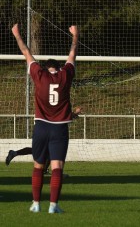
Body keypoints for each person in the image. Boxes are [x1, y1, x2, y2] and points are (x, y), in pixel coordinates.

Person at [12, 23, 79, 214]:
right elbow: (73, 54)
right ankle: (53, 206)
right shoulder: (65, 76)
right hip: (59, 128)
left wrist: (16, 34)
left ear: (45, 67)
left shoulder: (39, 75)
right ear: (58, 68)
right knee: (57, 166)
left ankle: (35, 203)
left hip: (41, 127)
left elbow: (25, 51)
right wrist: (75, 36)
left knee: (38, 165)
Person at [5, 107, 82, 173]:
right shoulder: (52, 105)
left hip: (41, 127)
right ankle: (47, 170)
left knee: (39, 151)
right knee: (49, 151)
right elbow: (62, 116)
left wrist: (73, 114)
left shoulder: (45, 103)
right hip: (46, 128)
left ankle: (14, 153)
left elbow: (60, 115)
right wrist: (75, 113)